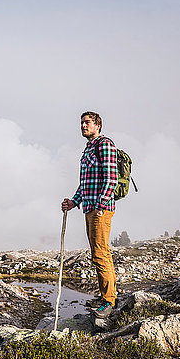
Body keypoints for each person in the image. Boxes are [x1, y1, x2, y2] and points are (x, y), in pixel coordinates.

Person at [61, 111, 118, 318]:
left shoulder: (105, 144)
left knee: (100, 253)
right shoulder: (88, 148)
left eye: (88, 122)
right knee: (98, 252)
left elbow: (111, 178)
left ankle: (109, 300)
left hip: (100, 209)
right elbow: (85, 183)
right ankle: (107, 296)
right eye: (82, 123)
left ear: (98, 125)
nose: (83, 126)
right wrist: (74, 201)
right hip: (90, 208)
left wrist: (101, 204)